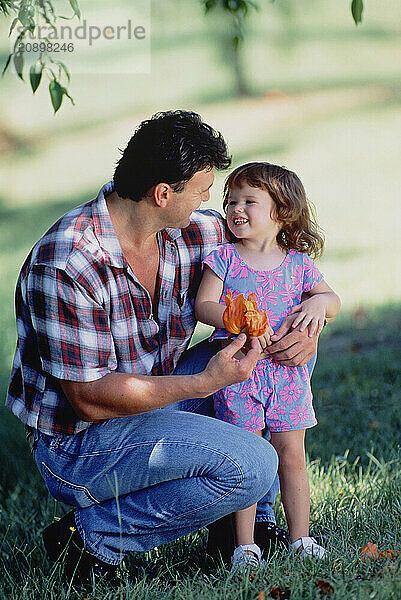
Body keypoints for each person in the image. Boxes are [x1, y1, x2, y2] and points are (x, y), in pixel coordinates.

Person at [5, 111, 319, 586]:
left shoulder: (195, 232)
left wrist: (306, 328)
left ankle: (246, 528)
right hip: (81, 441)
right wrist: (204, 382)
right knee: (255, 464)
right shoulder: (68, 263)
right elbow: (90, 399)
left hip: (155, 391)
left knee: (279, 356)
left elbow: (279, 257)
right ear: (163, 194)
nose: (212, 202)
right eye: (202, 192)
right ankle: (91, 537)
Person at [195, 162, 341, 571]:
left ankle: (301, 537)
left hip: (288, 378)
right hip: (239, 373)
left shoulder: (298, 265)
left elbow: (333, 301)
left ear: (281, 213)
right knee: (246, 455)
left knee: (291, 455)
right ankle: (245, 545)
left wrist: (317, 303)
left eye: (249, 201)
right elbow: (203, 304)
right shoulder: (223, 258)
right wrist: (231, 316)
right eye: (231, 202)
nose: (236, 209)